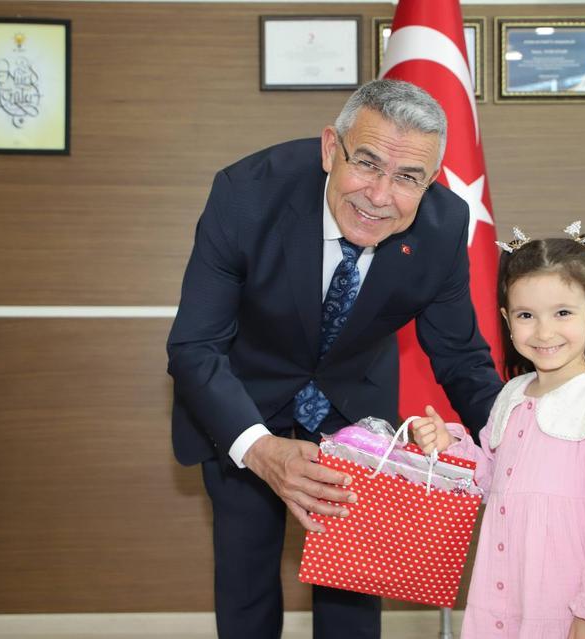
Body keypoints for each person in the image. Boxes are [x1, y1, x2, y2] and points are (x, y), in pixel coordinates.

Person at [166, 79, 503, 639]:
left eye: (408, 177)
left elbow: (461, 357)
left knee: (352, 596)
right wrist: (260, 449)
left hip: (354, 405)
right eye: (367, 163)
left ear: (431, 181)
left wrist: (518, 438)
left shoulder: (443, 226)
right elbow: (195, 346)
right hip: (243, 400)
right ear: (330, 148)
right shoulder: (247, 195)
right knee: (246, 580)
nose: (379, 195)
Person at [412, 223, 585, 638]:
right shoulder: (511, 394)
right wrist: (450, 444)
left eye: (562, 313)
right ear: (507, 319)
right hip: (504, 597)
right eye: (526, 315)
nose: (543, 332)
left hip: (569, 605)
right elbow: (490, 479)